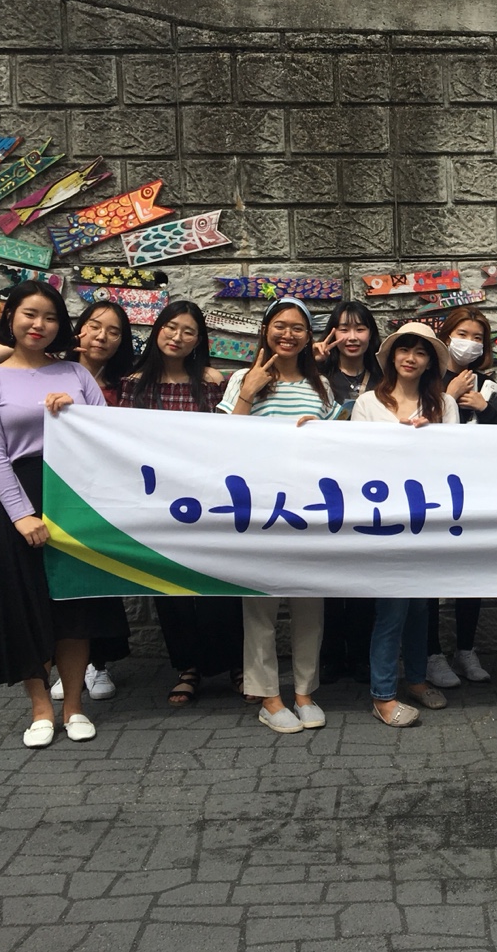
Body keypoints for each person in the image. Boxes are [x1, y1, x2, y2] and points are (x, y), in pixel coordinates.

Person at [0, 281, 130, 748]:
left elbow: (109, 433)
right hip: (19, 496)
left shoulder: (76, 374)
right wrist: (22, 514)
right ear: (11, 319)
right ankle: (40, 708)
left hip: (74, 494)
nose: (39, 325)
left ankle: (74, 706)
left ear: (61, 326)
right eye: (30, 314)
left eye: (50, 317)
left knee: (74, 606)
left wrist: (74, 411)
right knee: (26, 605)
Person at [219, 297, 342, 733]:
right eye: (279, 325)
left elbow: (338, 446)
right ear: (265, 330)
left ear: (308, 338)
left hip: (310, 509)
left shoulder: (321, 385)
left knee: (310, 604)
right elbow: (224, 441)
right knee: (260, 607)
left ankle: (305, 692)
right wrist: (248, 393)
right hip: (260, 507)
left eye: (297, 328)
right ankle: (268, 698)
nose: (287, 334)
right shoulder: (242, 378)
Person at [118, 301, 242, 708]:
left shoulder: (211, 381)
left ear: (199, 340)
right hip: (157, 499)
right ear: (157, 330)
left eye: (188, 331)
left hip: (208, 497)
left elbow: (226, 437)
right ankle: (186, 667)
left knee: (219, 582)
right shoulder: (133, 384)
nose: (178, 337)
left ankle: (235, 664)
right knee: (170, 588)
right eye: (171, 327)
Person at [348, 322, 460, 727]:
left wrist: (431, 438)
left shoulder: (444, 404)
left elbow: (457, 458)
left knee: (420, 606)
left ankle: (415, 679)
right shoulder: (367, 403)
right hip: (384, 518)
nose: (411, 358)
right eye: (404, 349)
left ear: (431, 362)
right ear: (391, 356)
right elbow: (354, 459)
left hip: (428, 517)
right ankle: (382, 694)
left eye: (421, 352)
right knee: (392, 606)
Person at [425, 307, 497, 688]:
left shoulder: (489, 386)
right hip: (431, 491)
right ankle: (431, 654)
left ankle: (466, 649)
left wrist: (485, 409)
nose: (469, 343)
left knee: (470, 574)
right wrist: (448, 396)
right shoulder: (425, 379)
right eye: (462, 334)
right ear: (445, 336)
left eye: (478, 337)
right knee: (429, 576)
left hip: (475, 492)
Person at [313, 301, 381, 685]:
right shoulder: (318, 376)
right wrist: (313, 364)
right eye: (343, 328)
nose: (351, 337)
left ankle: (360, 654)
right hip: (326, 487)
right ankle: (330, 656)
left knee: (364, 573)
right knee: (328, 573)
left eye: (360, 329)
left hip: (372, 489)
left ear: (371, 333)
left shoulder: (385, 376)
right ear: (332, 333)